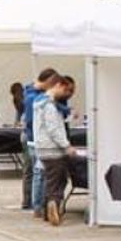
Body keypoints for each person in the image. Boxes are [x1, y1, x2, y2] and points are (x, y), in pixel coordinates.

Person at [34, 75, 77, 225]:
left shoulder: (39, 103)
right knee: (58, 181)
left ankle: (48, 210)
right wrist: (67, 146)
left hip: (43, 148)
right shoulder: (50, 106)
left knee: (50, 179)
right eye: (65, 89)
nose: (65, 94)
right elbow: (54, 129)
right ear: (58, 85)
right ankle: (54, 204)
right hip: (53, 149)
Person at [22, 68, 59, 216]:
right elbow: (32, 121)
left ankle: (31, 203)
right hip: (35, 139)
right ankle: (37, 206)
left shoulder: (31, 94)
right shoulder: (34, 98)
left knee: (33, 172)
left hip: (32, 137)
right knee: (39, 172)